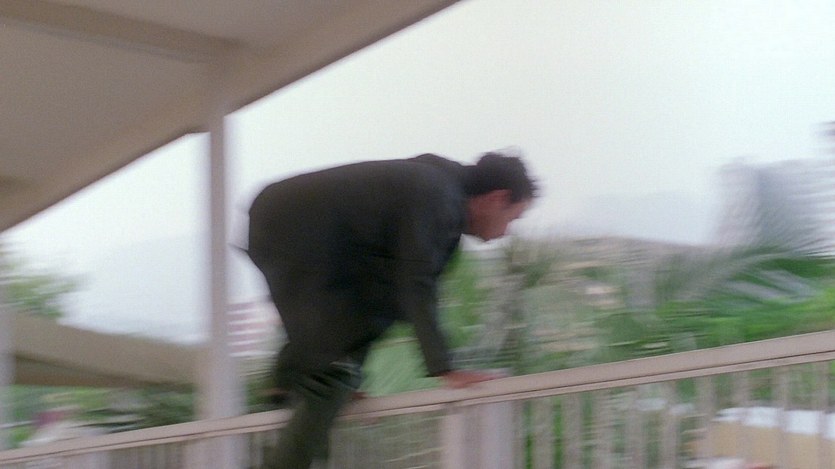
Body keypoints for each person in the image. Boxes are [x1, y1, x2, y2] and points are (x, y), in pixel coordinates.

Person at [247, 150, 538, 469]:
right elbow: (416, 283)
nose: (506, 232)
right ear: (498, 198)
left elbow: (386, 299)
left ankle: (287, 380)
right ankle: (295, 380)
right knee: (330, 378)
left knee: (374, 317)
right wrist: (445, 368)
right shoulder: (439, 199)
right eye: (512, 219)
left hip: (294, 227)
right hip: (291, 228)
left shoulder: (441, 191)